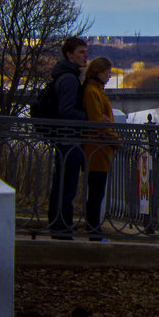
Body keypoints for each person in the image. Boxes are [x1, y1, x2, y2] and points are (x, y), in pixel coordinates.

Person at [46, 36, 89, 238]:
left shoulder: (62, 75)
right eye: (81, 52)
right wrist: (88, 118)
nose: (85, 56)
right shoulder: (70, 79)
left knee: (60, 183)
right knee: (68, 187)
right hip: (69, 139)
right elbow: (66, 111)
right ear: (69, 54)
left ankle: (57, 225)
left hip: (63, 139)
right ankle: (62, 229)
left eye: (85, 51)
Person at [81, 57, 119, 241]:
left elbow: (102, 120)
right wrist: (116, 140)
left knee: (96, 193)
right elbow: (98, 122)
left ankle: (93, 230)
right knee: (96, 193)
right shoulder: (92, 92)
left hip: (99, 151)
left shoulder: (96, 91)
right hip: (97, 151)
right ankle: (94, 232)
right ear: (98, 72)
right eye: (107, 72)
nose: (110, 76)